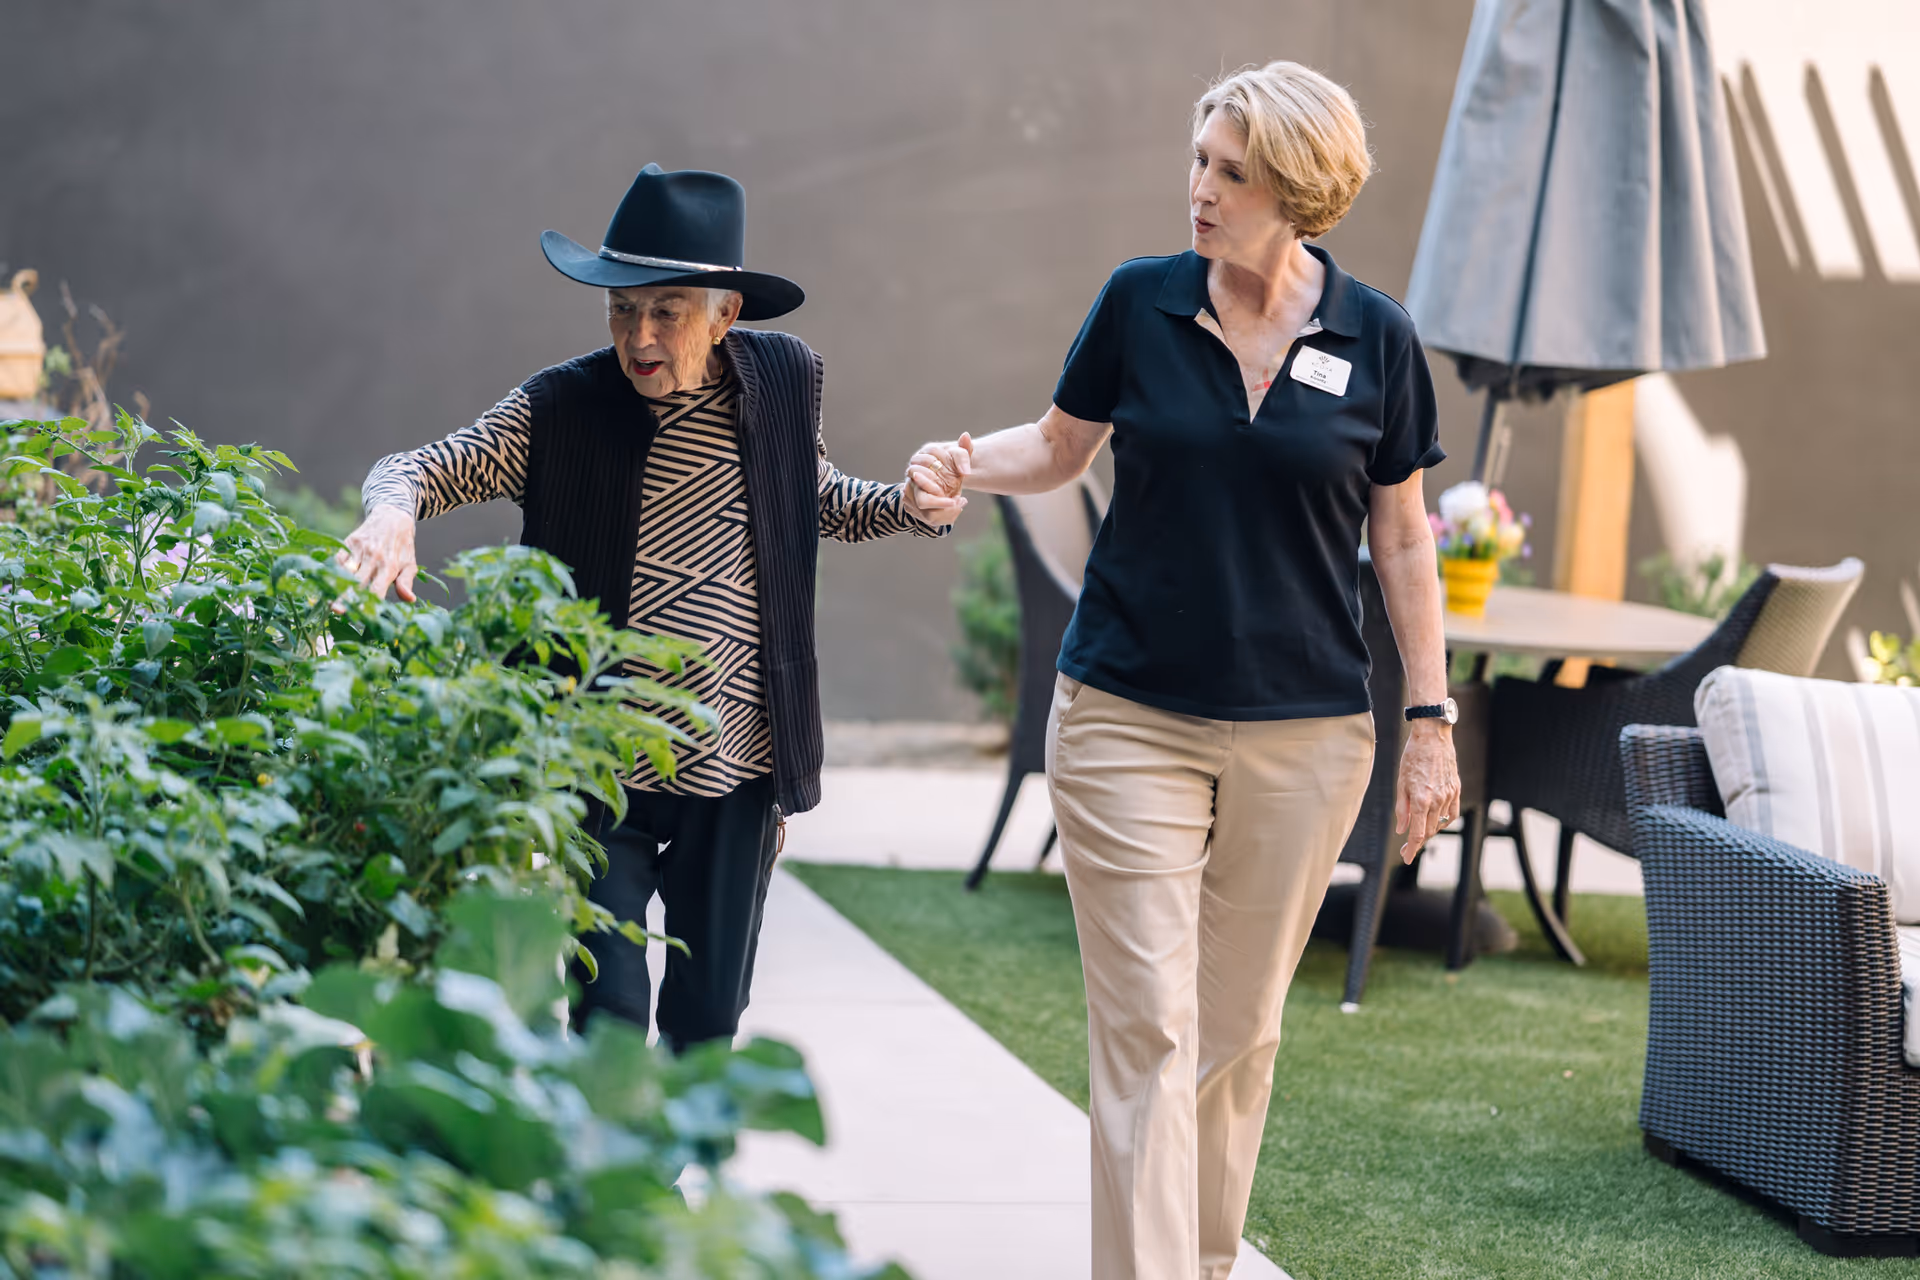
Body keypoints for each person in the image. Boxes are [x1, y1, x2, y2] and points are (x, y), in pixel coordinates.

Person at [907, 62, 1460, 1280]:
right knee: (1150, 1029)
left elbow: (1403, 531)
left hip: (1308, 732)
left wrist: (1428, 715)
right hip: (1126, 715)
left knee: (1237, 1033)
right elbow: (1059, 447)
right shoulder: (1139, 303)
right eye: (1199, 161)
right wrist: (955, 459)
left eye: (1232, 172)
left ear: (1300, 192)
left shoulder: (1376, 336)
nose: (1199, 190)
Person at [340, 164, 966, 1050]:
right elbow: (416, 466)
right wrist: (392, 515)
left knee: (708, 1024)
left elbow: (815, 497)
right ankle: (619, 1188)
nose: (640, 334)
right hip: (598, 772)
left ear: (725, 313)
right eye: (621, 307)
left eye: (666, 310)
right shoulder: (559, 408)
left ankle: (665, 1188)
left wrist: (907, 502)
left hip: (736, 770)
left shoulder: (782, 382)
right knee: (610, 1013)